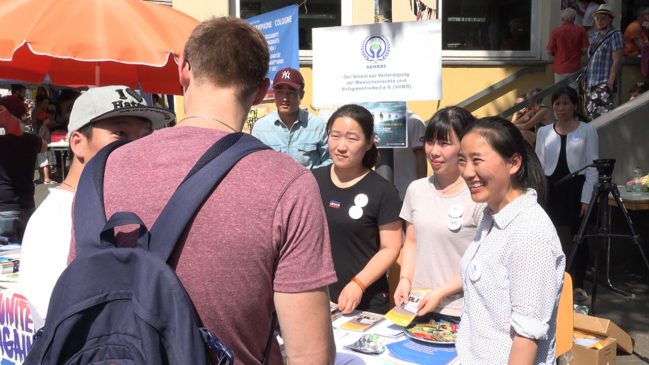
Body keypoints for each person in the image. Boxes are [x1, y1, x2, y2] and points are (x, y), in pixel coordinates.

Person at [73, 18, 337, 364]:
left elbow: (82, 297)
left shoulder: (102, 170)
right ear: (261, 92)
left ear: (183, 70)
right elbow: (310, 355)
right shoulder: (290, 184)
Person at [18, 85, 165, 329]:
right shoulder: (55, 218)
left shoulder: (116, 204)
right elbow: (49, 320)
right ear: (77, 142)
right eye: (121, 133)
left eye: (145, 136)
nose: (138, 147)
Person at [456, 117, 565, 364]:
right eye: (462, 160)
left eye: (477, 160)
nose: (467, 172)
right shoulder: (490, 215)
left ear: (513, 162)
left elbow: (526, 338)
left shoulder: (530, 233)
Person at [394, 107, 484, 321]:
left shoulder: (479, 195)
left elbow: (482, 260)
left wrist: (441, 293)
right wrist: (405, 279)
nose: (434, 151)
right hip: (416, 305)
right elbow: (412, 242)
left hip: (461, 312)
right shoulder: (416, 189)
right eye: (429, 141)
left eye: (444, 144)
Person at [312, 104, 401, 315]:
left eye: (352, 139)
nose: (341, 146)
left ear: (369, 142)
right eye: (335, 136)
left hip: (364, 301)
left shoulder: (383, 191)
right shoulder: (311, 181)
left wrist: (358, 284)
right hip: (317, 298)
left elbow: (390, 247)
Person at [536, 86, 598, 303]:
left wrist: (586, 198)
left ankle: (578, 285)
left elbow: (592, 167)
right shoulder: (544, 132)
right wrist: (538, 195)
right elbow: (538, 167)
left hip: (576, 189)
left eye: (565, 103)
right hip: (551, 188)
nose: (560, 108)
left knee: (578, 239)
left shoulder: (587, 130)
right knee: (547, 237)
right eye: (557, 103)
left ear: (574, 105)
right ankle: (548, 283)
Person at [251, 67, 331, 169]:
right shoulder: (261, 128)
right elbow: (256, 164)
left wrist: (310, 177)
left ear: (301, 95)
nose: (285, 98)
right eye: (279, 92)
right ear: (274, 94)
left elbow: (329, 159)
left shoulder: (317, 125)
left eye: (291, 92)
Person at [0, 97, 47, 242]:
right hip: (27, 205)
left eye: (0, 110)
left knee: (6, 259)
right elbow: (44, 146)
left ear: (11, 113)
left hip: (5, 208)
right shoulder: (33, 140)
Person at [583, 3, 623, 121]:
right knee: (591, 117)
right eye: (597, 18)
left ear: (610, 19)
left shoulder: (615, 35)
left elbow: (617, 60)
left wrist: (610, 81)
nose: (599, 21)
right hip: (590, 83)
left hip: (603, 82)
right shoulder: (596, 35)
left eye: (603, 18)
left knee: (603, 116)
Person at [547, 7, 589, 85]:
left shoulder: (556, 31)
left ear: (562, 18)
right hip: (574, 67)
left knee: (559, 93)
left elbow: (549, 51)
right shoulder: (581, 30)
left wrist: (556, 55)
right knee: (572, 93)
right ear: (574, 18)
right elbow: (585, 49)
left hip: (559, 67)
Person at [393, 111, 427, 202]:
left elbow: (421, 158)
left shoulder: (414, 121)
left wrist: (421, 191)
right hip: (388, 193)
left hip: (409, 194)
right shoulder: (379, 122)